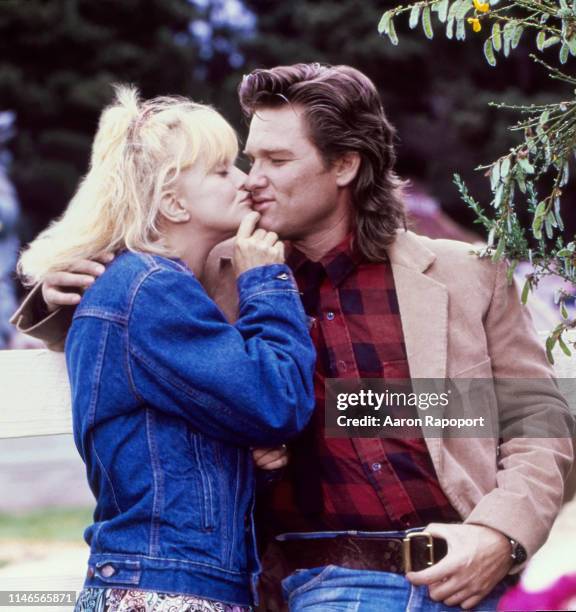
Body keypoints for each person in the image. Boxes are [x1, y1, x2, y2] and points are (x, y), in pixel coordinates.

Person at [12, 65, 574, 611]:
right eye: (248, 159)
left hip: (468, 575)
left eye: (276, 160)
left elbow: (535, 420)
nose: (253, 178)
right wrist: (68, 276)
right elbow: (128, 320)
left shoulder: (467, 272)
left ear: (345, 165)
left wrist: (501, 536)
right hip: (320, 583)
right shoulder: (208, 273)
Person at [16, 86, 316, 611]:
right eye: (223, 170)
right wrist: (267, 280)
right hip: (168, 588)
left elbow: (189, 438)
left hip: (167, 578)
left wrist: (254, 462)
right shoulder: (151, 286)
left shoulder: (151, 283)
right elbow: (278, 403)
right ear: (174, 201)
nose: (246, 180)